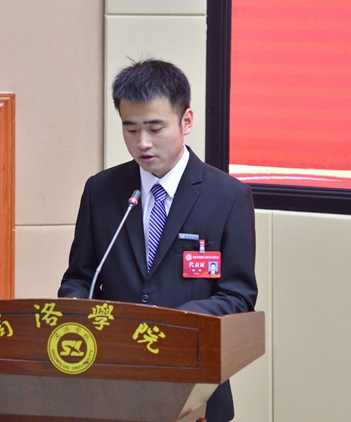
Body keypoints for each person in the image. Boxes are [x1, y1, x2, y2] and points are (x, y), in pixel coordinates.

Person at [59, 59, 257, 422]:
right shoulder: (101, 191)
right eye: (130, 129)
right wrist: (74, 306)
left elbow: (238, 296)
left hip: (195, 385)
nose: (142, 143)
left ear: (186, 121)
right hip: (112, 384)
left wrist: (173, 324)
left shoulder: (227, 197)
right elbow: (81, 277)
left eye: (154, 128)